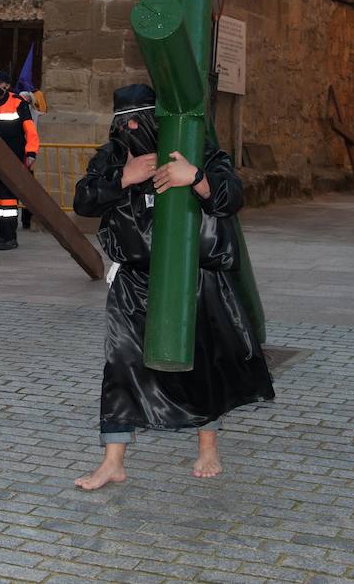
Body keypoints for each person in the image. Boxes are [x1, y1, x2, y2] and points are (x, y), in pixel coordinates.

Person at [72, 85, 273, 489]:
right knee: (121, 363)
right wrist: (125, 177)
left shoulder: (195, 148)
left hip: (191, 279)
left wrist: (195, 178)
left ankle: (208, 446)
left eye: (138, 121)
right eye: (121, 122)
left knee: (201, 362)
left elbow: (230, 196)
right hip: (132, 280)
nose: (129, 128)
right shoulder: (111, 158)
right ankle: (113, 460)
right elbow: (83, 200)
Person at [0, 71, 38, 251]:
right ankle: (2, 236)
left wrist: (31, 153)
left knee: (9, 200)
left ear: (6, 86)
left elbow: (30, 131)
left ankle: (10, 237)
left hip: (14, 158)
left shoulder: (18, 103)